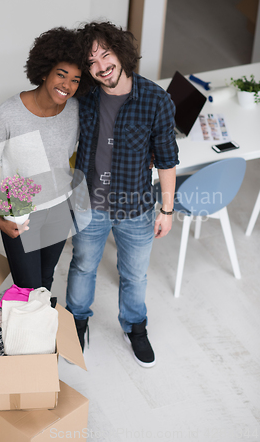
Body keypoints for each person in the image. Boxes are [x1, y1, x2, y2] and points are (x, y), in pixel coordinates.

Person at [66, 21, 179, 367]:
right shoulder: (83, 97)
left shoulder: (156, 100)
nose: (101, 66)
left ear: (120, 52)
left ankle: (135, 326)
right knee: (83, 265)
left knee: (135, 274)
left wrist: (167, 209)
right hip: (89, 203)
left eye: (106, 54)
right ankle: (76, 322)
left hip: (136, 209)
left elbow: (167, 158)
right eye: (92, 62)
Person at [0, 27, 90, 292]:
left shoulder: (76, 110)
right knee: (26, 287)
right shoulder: (7, 114)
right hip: (20, 209)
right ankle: (19, 331)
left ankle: (37, 332)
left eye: (75, 80)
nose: (67, 85)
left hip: (60, 207)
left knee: (44, 282)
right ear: (44, 72)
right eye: (61, 75)